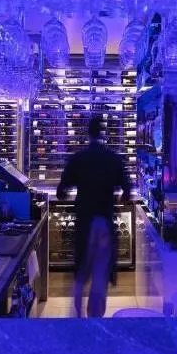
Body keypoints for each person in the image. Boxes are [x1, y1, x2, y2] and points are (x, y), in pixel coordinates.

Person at [57, 115, 132, 318]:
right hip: (105, 222)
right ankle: (95, 318)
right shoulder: (113, 158)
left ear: (88, 133)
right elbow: (127, 192)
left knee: (81, 271)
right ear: (103, 132)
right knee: (100, 274)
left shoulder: (78, 158)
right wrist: (115, 197)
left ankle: (77, 315)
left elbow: (61, 191)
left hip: (85, 221)